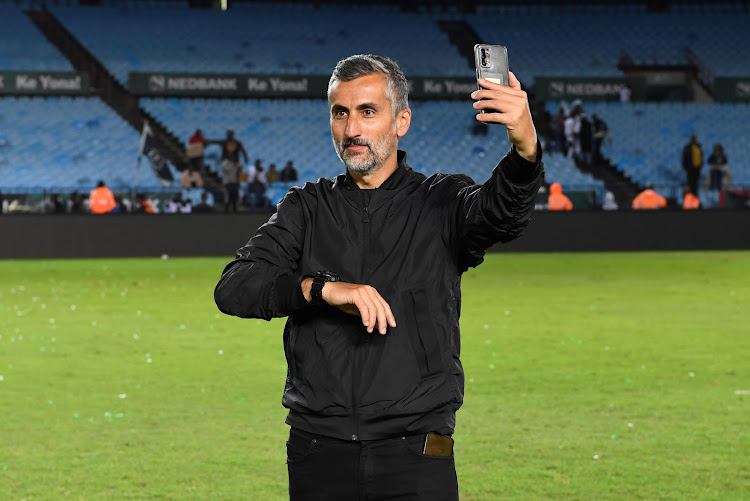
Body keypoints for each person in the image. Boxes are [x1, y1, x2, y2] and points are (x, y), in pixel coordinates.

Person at [214, 54, 543, 500]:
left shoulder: (441, 202)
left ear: (401, 120)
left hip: (416, 454)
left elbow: (501, 215)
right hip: (318, 451)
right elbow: (235, 286)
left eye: (368, 112)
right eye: (341, 113)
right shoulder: (307, 207)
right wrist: (322, 289)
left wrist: (524, 148)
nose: (352, 130)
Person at [207, 130, 249, 213]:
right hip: (227, 164)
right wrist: (208, 141)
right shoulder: (225, 142)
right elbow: (216, 141)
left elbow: (242, 150)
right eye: (228, 134)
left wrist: (245, 157)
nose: (229, 136)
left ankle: (234, 205)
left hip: (234, 164)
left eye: (230, 134)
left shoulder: (236, 143)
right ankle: (228, 205)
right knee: (228, 186)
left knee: (235, 185)